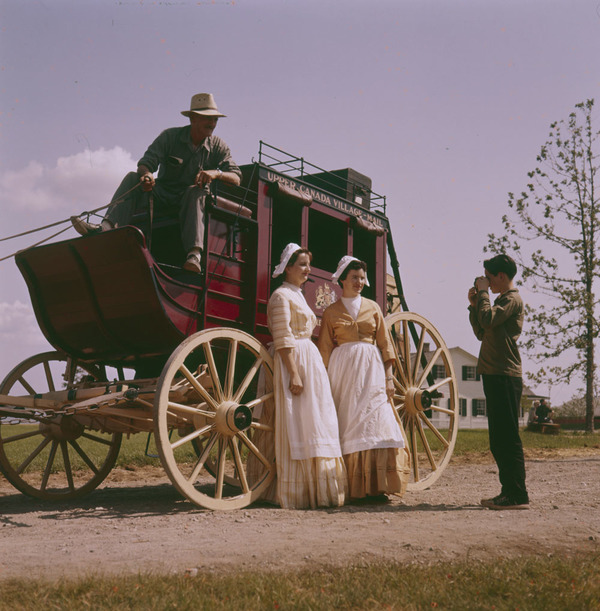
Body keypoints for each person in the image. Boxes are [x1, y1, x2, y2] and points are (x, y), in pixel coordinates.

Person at [70, 93, 242, 274]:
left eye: (215, 119)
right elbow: (145, 164)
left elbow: (236, 177)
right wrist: (146, 176)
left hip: (190, 199)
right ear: (193, 118)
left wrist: (216, 173)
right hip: (162, 193)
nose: (212, 124)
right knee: (131, 178)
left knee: (196, 192)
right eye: (208, 118)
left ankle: (194, 255)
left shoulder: (218, 146)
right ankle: (105, 227)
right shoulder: (170, 137)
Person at [318, 256, 410, 503]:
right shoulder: (331, 312)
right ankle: (354, 487)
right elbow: (325, 348)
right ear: (343, 280)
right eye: (354, 278)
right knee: (349, 423)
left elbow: (385, 344)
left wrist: (389, 378)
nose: (359, 282)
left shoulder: (373, 308)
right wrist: (323, 383)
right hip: (343, 373)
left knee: (376, 421)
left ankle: (377, 485)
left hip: (372, 370)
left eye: (361, 278)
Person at [267, 243, 347, 509]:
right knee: (299, 419)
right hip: (295, 360)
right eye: (301, 264)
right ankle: (298, 490)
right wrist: (294, 373)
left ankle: (321, 487)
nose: (307, 269)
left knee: (316, 419)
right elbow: (282, 337)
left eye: (308, 264)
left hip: (308, 359)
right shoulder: (280, 296)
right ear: (287, 267)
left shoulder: (298, 295)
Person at [468, 253, 529, 510]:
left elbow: (488, 319)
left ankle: (517, 495)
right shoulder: (501, 301)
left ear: (502, 276)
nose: (488, 283)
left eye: (490, 279)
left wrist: (482, 295)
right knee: (498, 438)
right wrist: (474, 304)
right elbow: (482, 331)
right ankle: (509, 492)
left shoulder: (512, 300)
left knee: (507, 437)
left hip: (505, 374)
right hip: (495, 373)